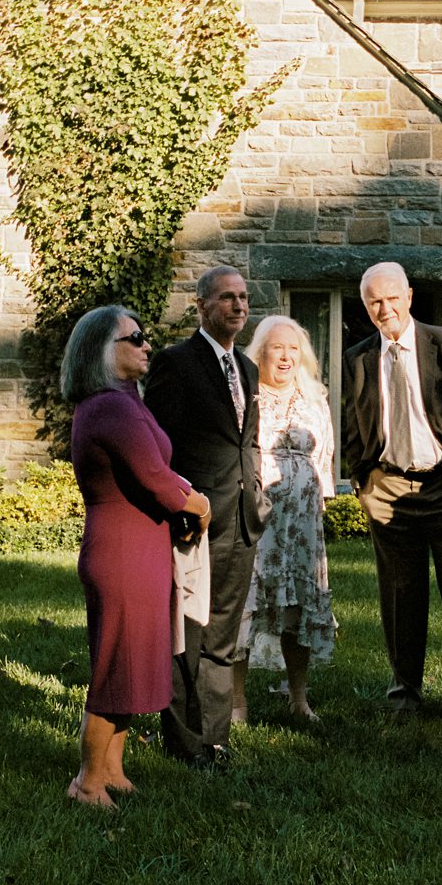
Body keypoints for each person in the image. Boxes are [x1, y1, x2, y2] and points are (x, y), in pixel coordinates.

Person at [62, 305, 211, 808]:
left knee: (130, 662)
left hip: (137, 549)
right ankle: (87, 782)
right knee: (115, 668)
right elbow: (153, 476)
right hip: (122, 552)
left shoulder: (125, 400)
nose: (147, 344)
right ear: (103, 350)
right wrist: (200, 505)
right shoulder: (111, 407)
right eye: (135, 337)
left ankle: (112, 769)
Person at [342, 261, 442, 720]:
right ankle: (404, 696)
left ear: (409, 296)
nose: (384, 308)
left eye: (392, 298)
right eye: (374, 302)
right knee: (399, 595)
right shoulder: (357, 358)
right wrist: (363, 479)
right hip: (388, 486)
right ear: (365, 306)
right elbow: (352, 422)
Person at [143, 266, 268, 768]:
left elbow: (247, 442)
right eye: (227, 298)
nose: (239, 306)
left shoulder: (249, 369)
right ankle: (183, 742)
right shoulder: (176, 364)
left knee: (223, 635)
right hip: (194, 522)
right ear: (201, 306)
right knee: (187, 633)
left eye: (244, 298)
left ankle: (214, 741)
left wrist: (256, 495)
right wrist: (181, 506)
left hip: (241, 520)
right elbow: (158, 448)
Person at [232, 316, 337, 722]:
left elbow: (324, 454)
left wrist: (320, 500)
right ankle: (237, 703)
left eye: (293, 348)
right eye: (277, 347)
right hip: (258, 521)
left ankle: (298, 698)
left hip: (303, 524)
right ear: (260, 353)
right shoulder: (246, 396)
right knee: (247, 605)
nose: (286, 356)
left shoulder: (314, 398)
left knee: (300, 608)